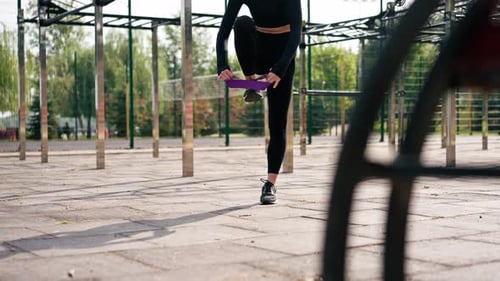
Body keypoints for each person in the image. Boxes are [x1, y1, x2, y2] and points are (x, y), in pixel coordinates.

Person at [216, 0, 302, 204]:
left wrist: (280, 69)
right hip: (258, 50)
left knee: (277, 124)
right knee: (242, 22)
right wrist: (222, 64)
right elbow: (224, 31)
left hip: (284, 56)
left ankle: (270, 184)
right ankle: (251, 82)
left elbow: (296, 34)